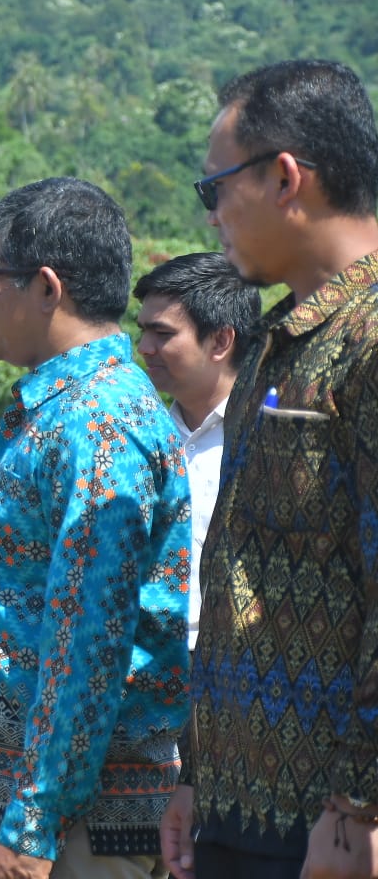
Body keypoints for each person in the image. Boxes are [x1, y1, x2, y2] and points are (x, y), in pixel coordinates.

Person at [0, 178, 192, 879]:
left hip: (67, 828)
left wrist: (33, 822)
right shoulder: (61, 408)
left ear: (46, 287)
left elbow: (89, 638)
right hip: (30, 808)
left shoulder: (98, 422)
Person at [159, 59, 378, 879]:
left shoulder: (369, 337)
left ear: (286, 177)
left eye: (213, 188)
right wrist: (196, 779)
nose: (211, 215)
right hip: (236, 807)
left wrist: (358, 804)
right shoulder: (278, 342)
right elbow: (237, 574)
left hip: (324, 824)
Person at [132, 252, 259, 652]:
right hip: (144, 673)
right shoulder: (136, 437)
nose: (144, 348)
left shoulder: (267, 439)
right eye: (143, 332)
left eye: (163, 334)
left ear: (221, 340)